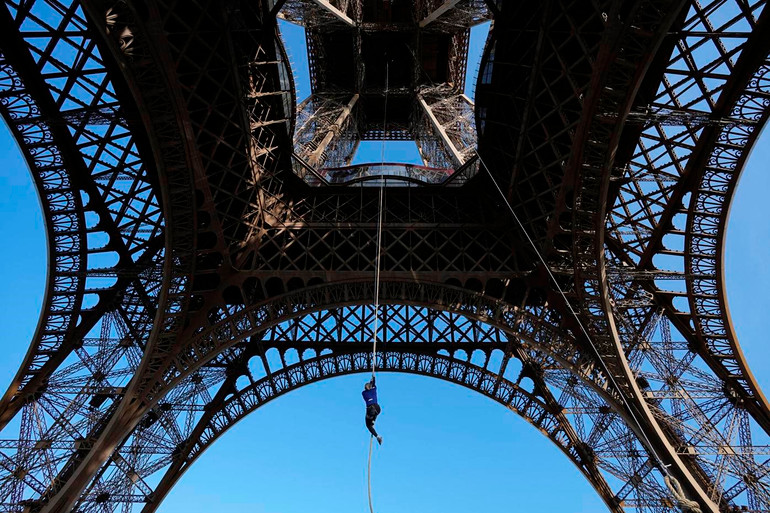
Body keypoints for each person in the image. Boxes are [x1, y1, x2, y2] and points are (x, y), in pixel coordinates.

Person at [362, 376, 383, 444]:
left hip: (371, 409)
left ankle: (378, 436)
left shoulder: (363, 393)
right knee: (374, 415)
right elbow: (373, 383)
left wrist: (372, 381)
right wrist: (373, 378)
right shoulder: (374, 389)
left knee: (368, 425)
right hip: (377, 408)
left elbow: (371, 385)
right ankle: (373, 420)